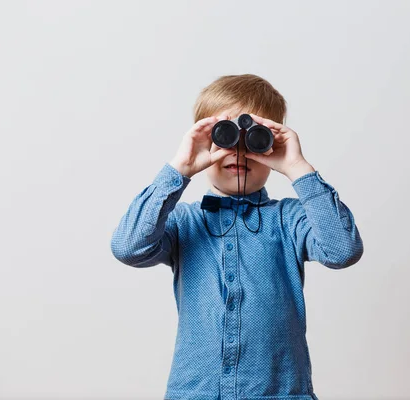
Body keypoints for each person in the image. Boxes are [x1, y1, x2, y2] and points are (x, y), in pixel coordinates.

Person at [110, 74, 363, 400]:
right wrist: (180, 167)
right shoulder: (185, 222)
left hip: (280, 392)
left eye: (254, 138)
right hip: (195, 393)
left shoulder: (289, 219)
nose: (238, 152)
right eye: (225, 136)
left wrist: (298, 167)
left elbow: (342, 250)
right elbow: (128, 247)